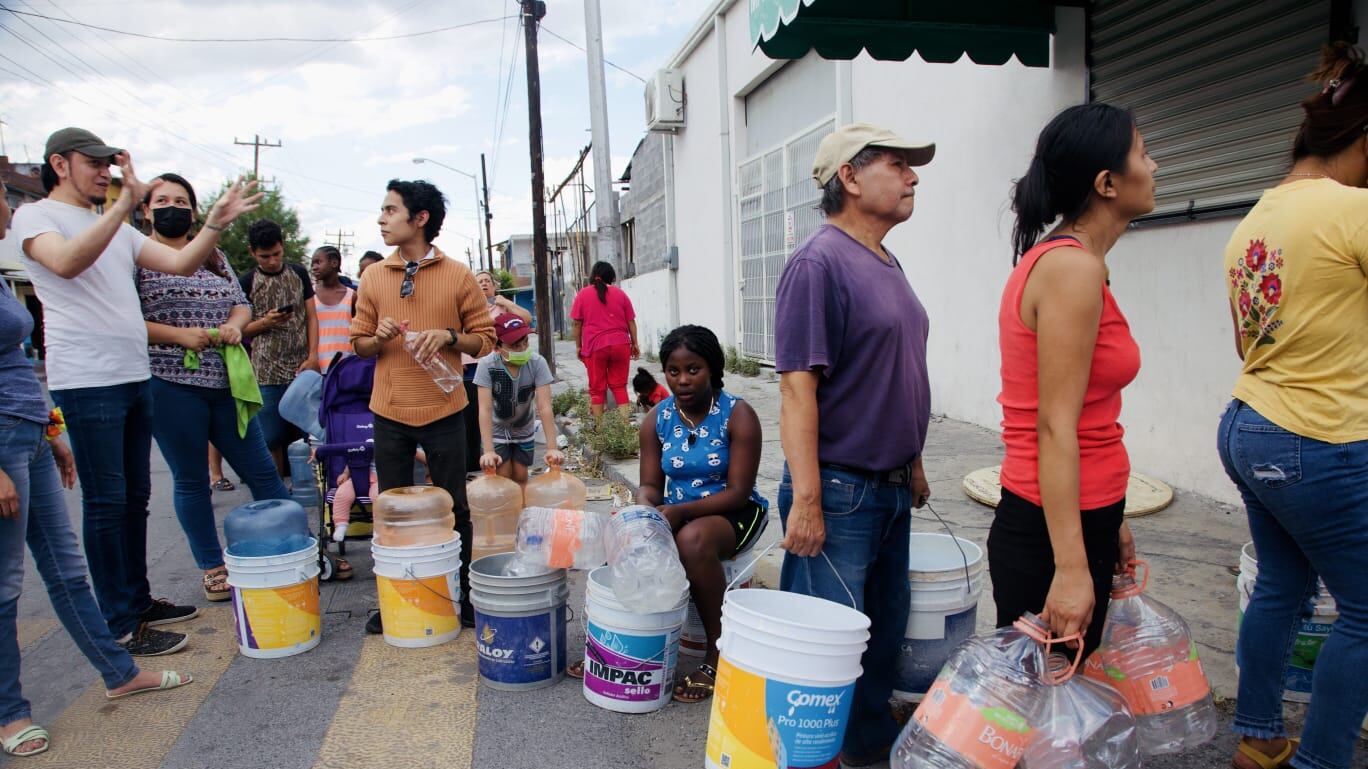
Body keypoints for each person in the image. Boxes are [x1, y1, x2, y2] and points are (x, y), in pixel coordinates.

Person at [11, 127, 260, 657]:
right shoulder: (37, 217)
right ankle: (122, 621)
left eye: (111, 164)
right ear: (59, 164)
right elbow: (67, 262)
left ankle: (139, 602)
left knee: (135, 500)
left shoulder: (116, 228)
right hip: (87, 377)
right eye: (94, 163)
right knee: (106, 503)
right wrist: (124, 201)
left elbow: (180, 261)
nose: (105, 172)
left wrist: (214, 221)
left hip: (132, 374)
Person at [1217, 43, 1368, 769]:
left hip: (1248, 425)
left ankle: (1258, 734)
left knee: (1283, 582)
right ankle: (1323, 760)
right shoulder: (1355, 212)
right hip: (1319, 436)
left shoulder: (1252, 223)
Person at [0, 210, 191, 758]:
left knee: (66, 570)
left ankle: (119, 671)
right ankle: (10, 712)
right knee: (6, 587)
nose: (5, 210)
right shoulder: (39, 232)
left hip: (29, 434)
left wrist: (49, 430)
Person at [772, 123, 934, 766]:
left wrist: (914, 462)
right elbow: (796, 390)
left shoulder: (885, 261)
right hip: (838, 491)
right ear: (849, 176)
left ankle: (867, 755)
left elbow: (893, 370)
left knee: (879, 644)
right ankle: (812, 757)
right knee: (827, 654)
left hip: (889, 487)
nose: (912, 176)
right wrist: (806, 499)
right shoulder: (819, 262)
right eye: (898, 164)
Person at [991, 104, 1151, 665]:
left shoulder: (1078, 265)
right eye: (1143, 153)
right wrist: (1072, 566)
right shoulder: (1071, 270)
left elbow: (1087, 415)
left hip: (1081, 515)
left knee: (1052, 707)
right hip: (1049, 528)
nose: (1155, 167)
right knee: (1039, 719)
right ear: (1107, 183)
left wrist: (1114, 521)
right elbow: (1055, 426)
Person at [136, 173, 291, 603]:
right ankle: (213, 566)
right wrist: (179, 335)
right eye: (163, 200)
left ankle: (290, 549)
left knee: (263, 470)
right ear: (146, 209)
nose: (174, 207)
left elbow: (241, 303)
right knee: (191, 481)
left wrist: (236, 326)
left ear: (195, 210)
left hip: (226, 383)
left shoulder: (214, 255)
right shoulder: (135, 255)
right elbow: (126, 320)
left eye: (182, 200)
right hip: (170, 383)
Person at [350, 179, 495, 634]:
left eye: (391, 210)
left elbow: (486, 340)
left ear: (420, 219)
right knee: (391, 508)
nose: (382, 219)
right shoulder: (373, 277)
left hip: (446, 407)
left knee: (455, 507)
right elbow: (357, 344)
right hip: (390, 409)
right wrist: (378, 339)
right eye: (383, 210)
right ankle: (396, 597)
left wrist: (449, 336)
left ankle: (463, 596)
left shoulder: (458, 274)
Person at [239, 219, 318, 478]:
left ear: (282, 246)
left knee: (309, 431)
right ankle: (277, 489)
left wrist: (313, 355)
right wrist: (265, 322)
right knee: (271, 436)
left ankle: (308, 484)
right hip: (265, 370)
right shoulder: (247, 281)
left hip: (301, 366)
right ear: (252, 252)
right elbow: (238, 329)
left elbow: (312, 317)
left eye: (276, 254)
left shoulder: (298, 273)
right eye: (265, 256)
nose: (272, 261)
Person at [475, 315, 562, 484]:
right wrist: (488, 450)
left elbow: (544, 407)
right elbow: (484, 409)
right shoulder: (487, 365)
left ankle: (522, 510)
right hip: (496, 432)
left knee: (521, 475)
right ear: (497, 347)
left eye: (525, 342)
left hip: (524, 430)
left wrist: (552, 448)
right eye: (515, 345)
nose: (522, 349)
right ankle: (506, 510)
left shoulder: (537, 363)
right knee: (504, 475)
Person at [464, 270, 532, 473]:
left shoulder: (502, 307)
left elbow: (526, 319)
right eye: (479, 281)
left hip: (499, 364)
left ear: (494, 287)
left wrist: (506, 303)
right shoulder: (466, 308)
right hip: (472, 365)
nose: (483, 284)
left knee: (502, 409)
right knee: (474, 412)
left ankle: (505, 452)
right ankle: (476, 458)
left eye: (487, 281)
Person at [571, 261, 639, 418]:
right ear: (611, 277)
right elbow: (631, 322)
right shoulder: (620, 294)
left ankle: (599, 430)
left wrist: (578, 346)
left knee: (597, 388)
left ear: (593, 276)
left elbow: (576, 323)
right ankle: (625, 426)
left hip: (595, 346)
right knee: (619, 386)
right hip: (621, 344)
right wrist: (635, 344)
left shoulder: (583, 294)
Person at [310, 245, 355, 372]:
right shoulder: (309, 295)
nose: (314, 267)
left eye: (318, 262)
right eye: (312, 264)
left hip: (345, 367)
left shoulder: (352, 296)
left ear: (334, 263)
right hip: (316, 367)